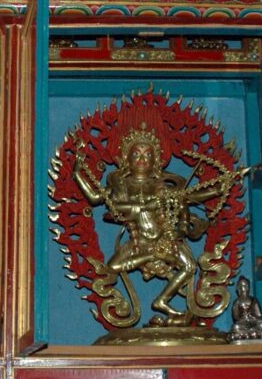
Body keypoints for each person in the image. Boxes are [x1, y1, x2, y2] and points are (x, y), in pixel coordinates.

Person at [74, 122, 247, 327]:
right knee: (112, 267)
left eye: (148, 155)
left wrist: (220, 188)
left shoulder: (163, 185)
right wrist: (78, 171)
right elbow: (95, 197)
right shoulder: (120, 184)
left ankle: (162, 300)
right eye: (136, 154)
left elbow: (190, 197)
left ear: (156, 160)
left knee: (190, 266)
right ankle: (150, 257)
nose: (142, 159)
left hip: (165, 239)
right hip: (139, 242)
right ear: (126, 159)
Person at [227, 277, 262, 343]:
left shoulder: (254, 300)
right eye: (242, 285)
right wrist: (242, 319)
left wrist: (254, 318)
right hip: (242, 324)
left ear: (249, 287)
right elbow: (235, 316)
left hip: (255, 323)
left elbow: (259, 315)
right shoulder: (237, 302)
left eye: (246, 285)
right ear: (238, 288)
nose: (244, 287)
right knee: (236, 327)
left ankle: (257, 335)